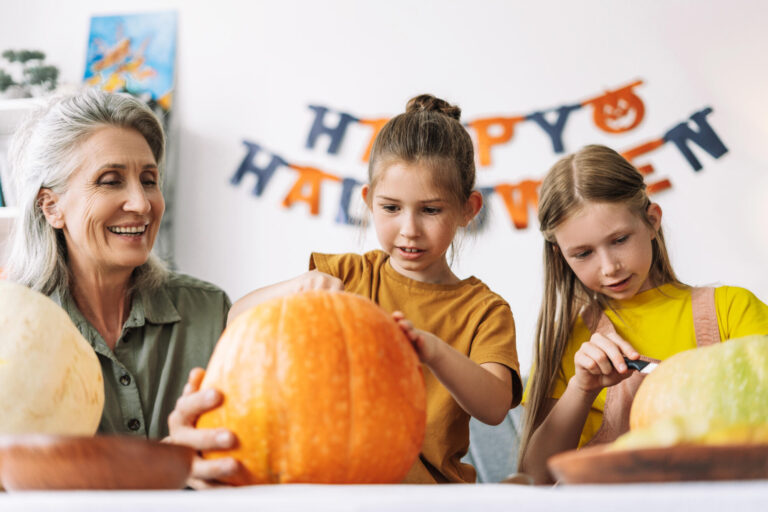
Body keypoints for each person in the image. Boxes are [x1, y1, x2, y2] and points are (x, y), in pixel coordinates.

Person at [205, 94, 523, 483]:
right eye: (391, 208)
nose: (409, 229)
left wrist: (433, 351)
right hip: (335, 482)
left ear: (468, 210)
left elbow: (494, 407)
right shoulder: (347, 276)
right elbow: (237, 318)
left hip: (431, 499)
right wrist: (295, 286)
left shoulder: (483, 309)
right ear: (368, 201)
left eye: (430, 210)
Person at [6, 89, 239, 488]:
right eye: (111, 181)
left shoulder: (210, 311)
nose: (142, 203)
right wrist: (162, 465)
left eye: (149, 180)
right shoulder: (6, 328)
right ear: (51, 206)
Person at [517, 144, 768, 484]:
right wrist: (582, 387)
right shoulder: (570, 342)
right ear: (560, 255)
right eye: (583, 253)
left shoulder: (732, 309)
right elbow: (535, 479)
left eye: (619, 239)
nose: (609, 267)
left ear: (652, 221)